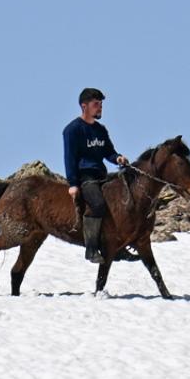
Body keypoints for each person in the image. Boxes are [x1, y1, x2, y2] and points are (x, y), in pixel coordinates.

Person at [63, 87, 129, 263]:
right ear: (84, 106)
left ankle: (118, 247)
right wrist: (72, 184)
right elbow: (69, 158)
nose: (100, 108)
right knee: (98, 205)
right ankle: (91, 249)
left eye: (100, 104)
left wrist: (118, 158)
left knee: (121, 201)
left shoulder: (101, 130)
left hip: (102, 175)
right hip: (86, 177)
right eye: (96, 104)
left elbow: (109, 152)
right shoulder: (72, 130)